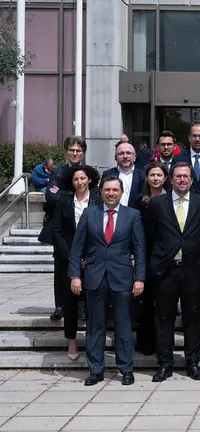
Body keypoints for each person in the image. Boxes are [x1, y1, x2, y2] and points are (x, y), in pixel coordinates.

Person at [69, 175, 146, 386]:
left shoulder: (133, 215)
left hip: (122, 278)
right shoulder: (89, 214)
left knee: (123, 324)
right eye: (107, 190)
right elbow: (77, 248)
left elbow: (139, 250)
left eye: (115, 190)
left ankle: (126, 369)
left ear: (121, 193)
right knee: (95, 326)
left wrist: (139, 278)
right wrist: (75, 275)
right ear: (101, 192)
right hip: (94, 278)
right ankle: (95, 370)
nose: (111, 193)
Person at [144, 162, 200, 382]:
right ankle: (165, 363)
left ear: (192, 180)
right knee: (164, 318)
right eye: (178, 176)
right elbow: (149, 236)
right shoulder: (156, 204)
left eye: (186, 176)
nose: (182, 180)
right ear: (171, 179)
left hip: (193, 270)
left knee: (193, 318)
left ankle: (192, 362)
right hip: (165, 271)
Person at [49, 165, 101, 362]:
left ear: (89, 180)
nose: (79, 182)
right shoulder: (64, 201)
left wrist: (89, 255)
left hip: (92, 260)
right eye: (76, 179)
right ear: (71, 182)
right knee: (70, 303)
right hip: (68, 259)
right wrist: (71, 256)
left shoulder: (97, 201)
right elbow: (56, 230)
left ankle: (92, 341)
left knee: (93, 302)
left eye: (83, 178)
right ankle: (72, 340)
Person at [41, 136, 88, 322]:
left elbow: (89, 194)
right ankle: (59, 305)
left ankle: (82, 305)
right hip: (63, 229)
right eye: (72, 150)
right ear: (66, 151)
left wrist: (60, 193)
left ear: (83, 152)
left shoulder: (87, 171)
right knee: (61, 268)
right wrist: (70, 195)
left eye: (78, 150)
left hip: (83, 226)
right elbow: (49, 196)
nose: (75, 153)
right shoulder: (58, 171)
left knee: (84, 267)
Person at [131, 161, 168, 356]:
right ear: (147, 178)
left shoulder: (170, 199)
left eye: (159, 175)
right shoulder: (140, 201)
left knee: (162, 302)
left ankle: (161, 343)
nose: (155, 178)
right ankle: (145, 341)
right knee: (144, 301)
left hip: (165, 256)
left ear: (165, 178)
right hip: (144, 254)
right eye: (152, 175)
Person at [104, 143, 146, 208]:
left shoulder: (143, 176)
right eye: (121, 153)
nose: (125, 156)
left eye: (128, 153)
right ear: (116, 157)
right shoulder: (107, 174)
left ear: (134, 157)